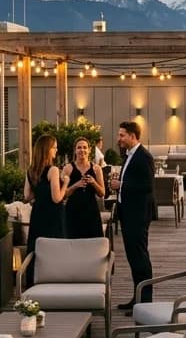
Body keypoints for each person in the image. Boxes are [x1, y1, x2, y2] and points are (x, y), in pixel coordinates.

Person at [110, 121, 155, 312]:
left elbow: (148, 186)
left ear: (132, 136)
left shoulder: (144, 157)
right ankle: (137, 298)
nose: (119, 139)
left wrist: (121, 185)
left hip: (138, 215)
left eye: (122, 135)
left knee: (140, 257)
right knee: (133, 258)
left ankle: (145, 302)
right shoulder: (129, 155)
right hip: (128, 214)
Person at [25, 134, 68, 266]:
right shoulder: (53, 170)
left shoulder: (31, 171)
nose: (56, 150)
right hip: (53, 215)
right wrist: (66, 183)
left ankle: (36, 274)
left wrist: (40, 191)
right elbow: (57, 198)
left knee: (38, 247)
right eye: (54, 147)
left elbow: (27, 196)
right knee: (55, 248)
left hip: (38, 214)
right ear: (47, 150)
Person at [62, 137, 106, 240]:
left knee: (93, 242)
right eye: (79, 147)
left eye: (85, 147)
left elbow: (102, 193)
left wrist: (94, 183)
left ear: (89, 150)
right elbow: (62, 195)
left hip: (91, 211)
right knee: (72, 242)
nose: (82, 150)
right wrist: (76, 185)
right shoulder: (68, 168)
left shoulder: (96, 169)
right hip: (73, 211)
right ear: (75, 150)